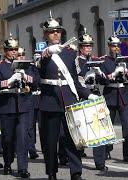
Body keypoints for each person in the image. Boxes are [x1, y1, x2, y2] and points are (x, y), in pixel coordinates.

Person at [38, 12, 97, 180]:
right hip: (50, 101)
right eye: (52, 31)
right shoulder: (40, 54)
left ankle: (76, 172)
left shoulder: (71, 53)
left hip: (69, 100)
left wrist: (87, 94)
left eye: (58, 31)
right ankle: (51, 172)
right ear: (45, 34)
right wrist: (48, 52)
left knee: (73, 138)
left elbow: (76, 80)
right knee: (50, 141)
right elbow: (37, 66)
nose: (56, 34)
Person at [0, 34, 39, 178]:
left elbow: (36, 82)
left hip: (24, 105)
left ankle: (22, 168)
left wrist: (25, 77)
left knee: (23, 138)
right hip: (7, 106)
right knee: (8, 138)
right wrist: (9, 80)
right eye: (10, 49)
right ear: (5, 51)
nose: (13, 52)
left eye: (15, 49)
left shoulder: (25, 64)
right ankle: (7, 162)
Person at [76, 29, 108, 172]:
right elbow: (75, 79)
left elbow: (103, 81)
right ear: (80, 47)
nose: (88, 48)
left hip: (94, 94)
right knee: (78, 129)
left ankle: (100, 162)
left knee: (98, 129)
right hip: (81, 95)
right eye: (85, 46)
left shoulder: (95, 61)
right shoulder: (76, 61)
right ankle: (66, 156)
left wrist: (99, 73)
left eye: (90, 46)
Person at [100, 34, 128, 163]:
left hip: (123, 96)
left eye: (118, 45)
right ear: (109, 46)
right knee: (108, 126)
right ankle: (107, 150)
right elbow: (101, 80)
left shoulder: (124, 60)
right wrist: (108, 77)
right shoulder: (104, 61)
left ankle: (127, 154)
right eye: (113, 45)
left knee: (127, 126)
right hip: (110, 95)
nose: (116, 48)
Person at [18, 47, 39, 160]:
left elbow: (35, 81)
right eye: (19, 55)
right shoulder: (13, 67)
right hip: (17, 97)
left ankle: (31, 149)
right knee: (20, 127)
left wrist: (25, 76)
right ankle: (20, 148)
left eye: (22, 55)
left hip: (28, 97)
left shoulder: (30, 67)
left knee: (30, 126)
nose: (21, 57)